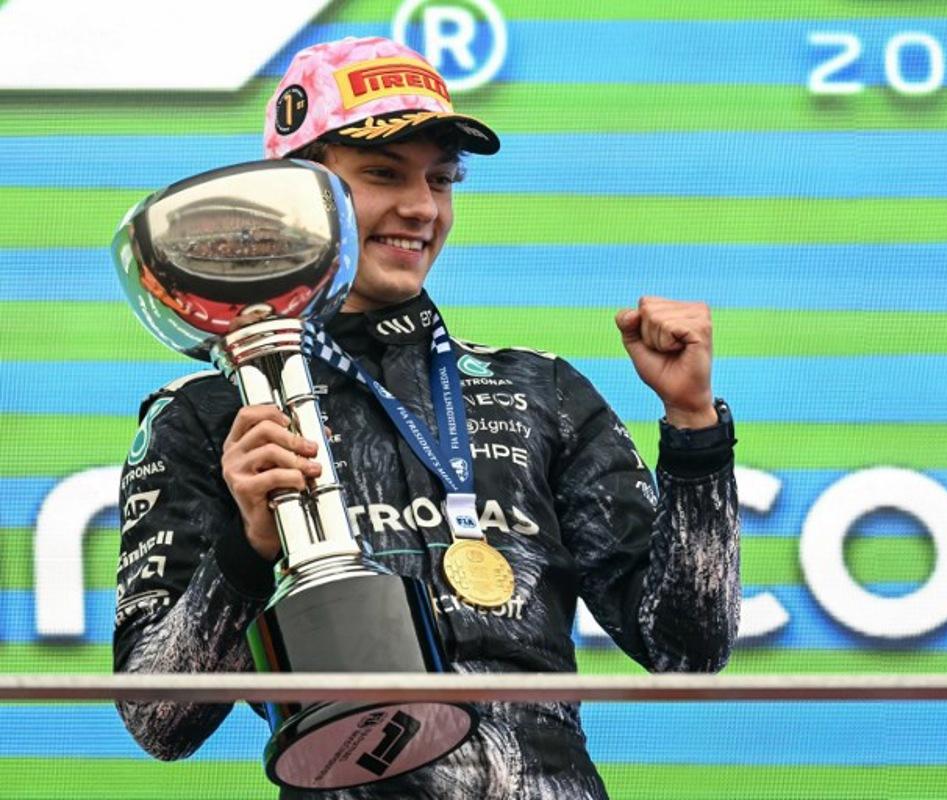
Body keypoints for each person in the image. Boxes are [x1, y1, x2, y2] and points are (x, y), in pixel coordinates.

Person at [114, 37, 739, 799]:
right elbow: (157, 720)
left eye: (442, 180)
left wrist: (693, 430)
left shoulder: (540, 391)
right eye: (383, 174)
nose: (421, 207)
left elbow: (687, 648)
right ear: (293, 195)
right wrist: (246, 553)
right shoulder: (208, 416)